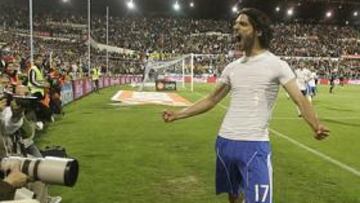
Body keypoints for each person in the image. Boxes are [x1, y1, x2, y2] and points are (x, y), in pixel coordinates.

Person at [162, 8, 330, 203]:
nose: (236, 27)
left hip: (255, 145)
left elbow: (300, 100)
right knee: (234, 198)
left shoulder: (277, 64)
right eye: (235, 24)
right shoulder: (232, 68)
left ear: (258, 30)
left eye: (242, 24)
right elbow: (211, 99)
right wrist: (178, 114)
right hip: (225, 142)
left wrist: (315, 125)